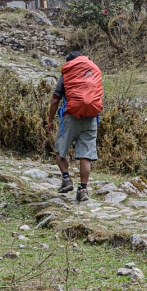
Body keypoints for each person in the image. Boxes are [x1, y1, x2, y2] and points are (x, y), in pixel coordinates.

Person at [46, 51, 103, 202]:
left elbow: (55, 100)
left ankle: (66, 179)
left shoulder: (67, 73)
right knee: (85, 156)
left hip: (71, 118)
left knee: (60, 150)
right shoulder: (92, 72)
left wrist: (50, 120)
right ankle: (83, 189)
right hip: (91, 118)